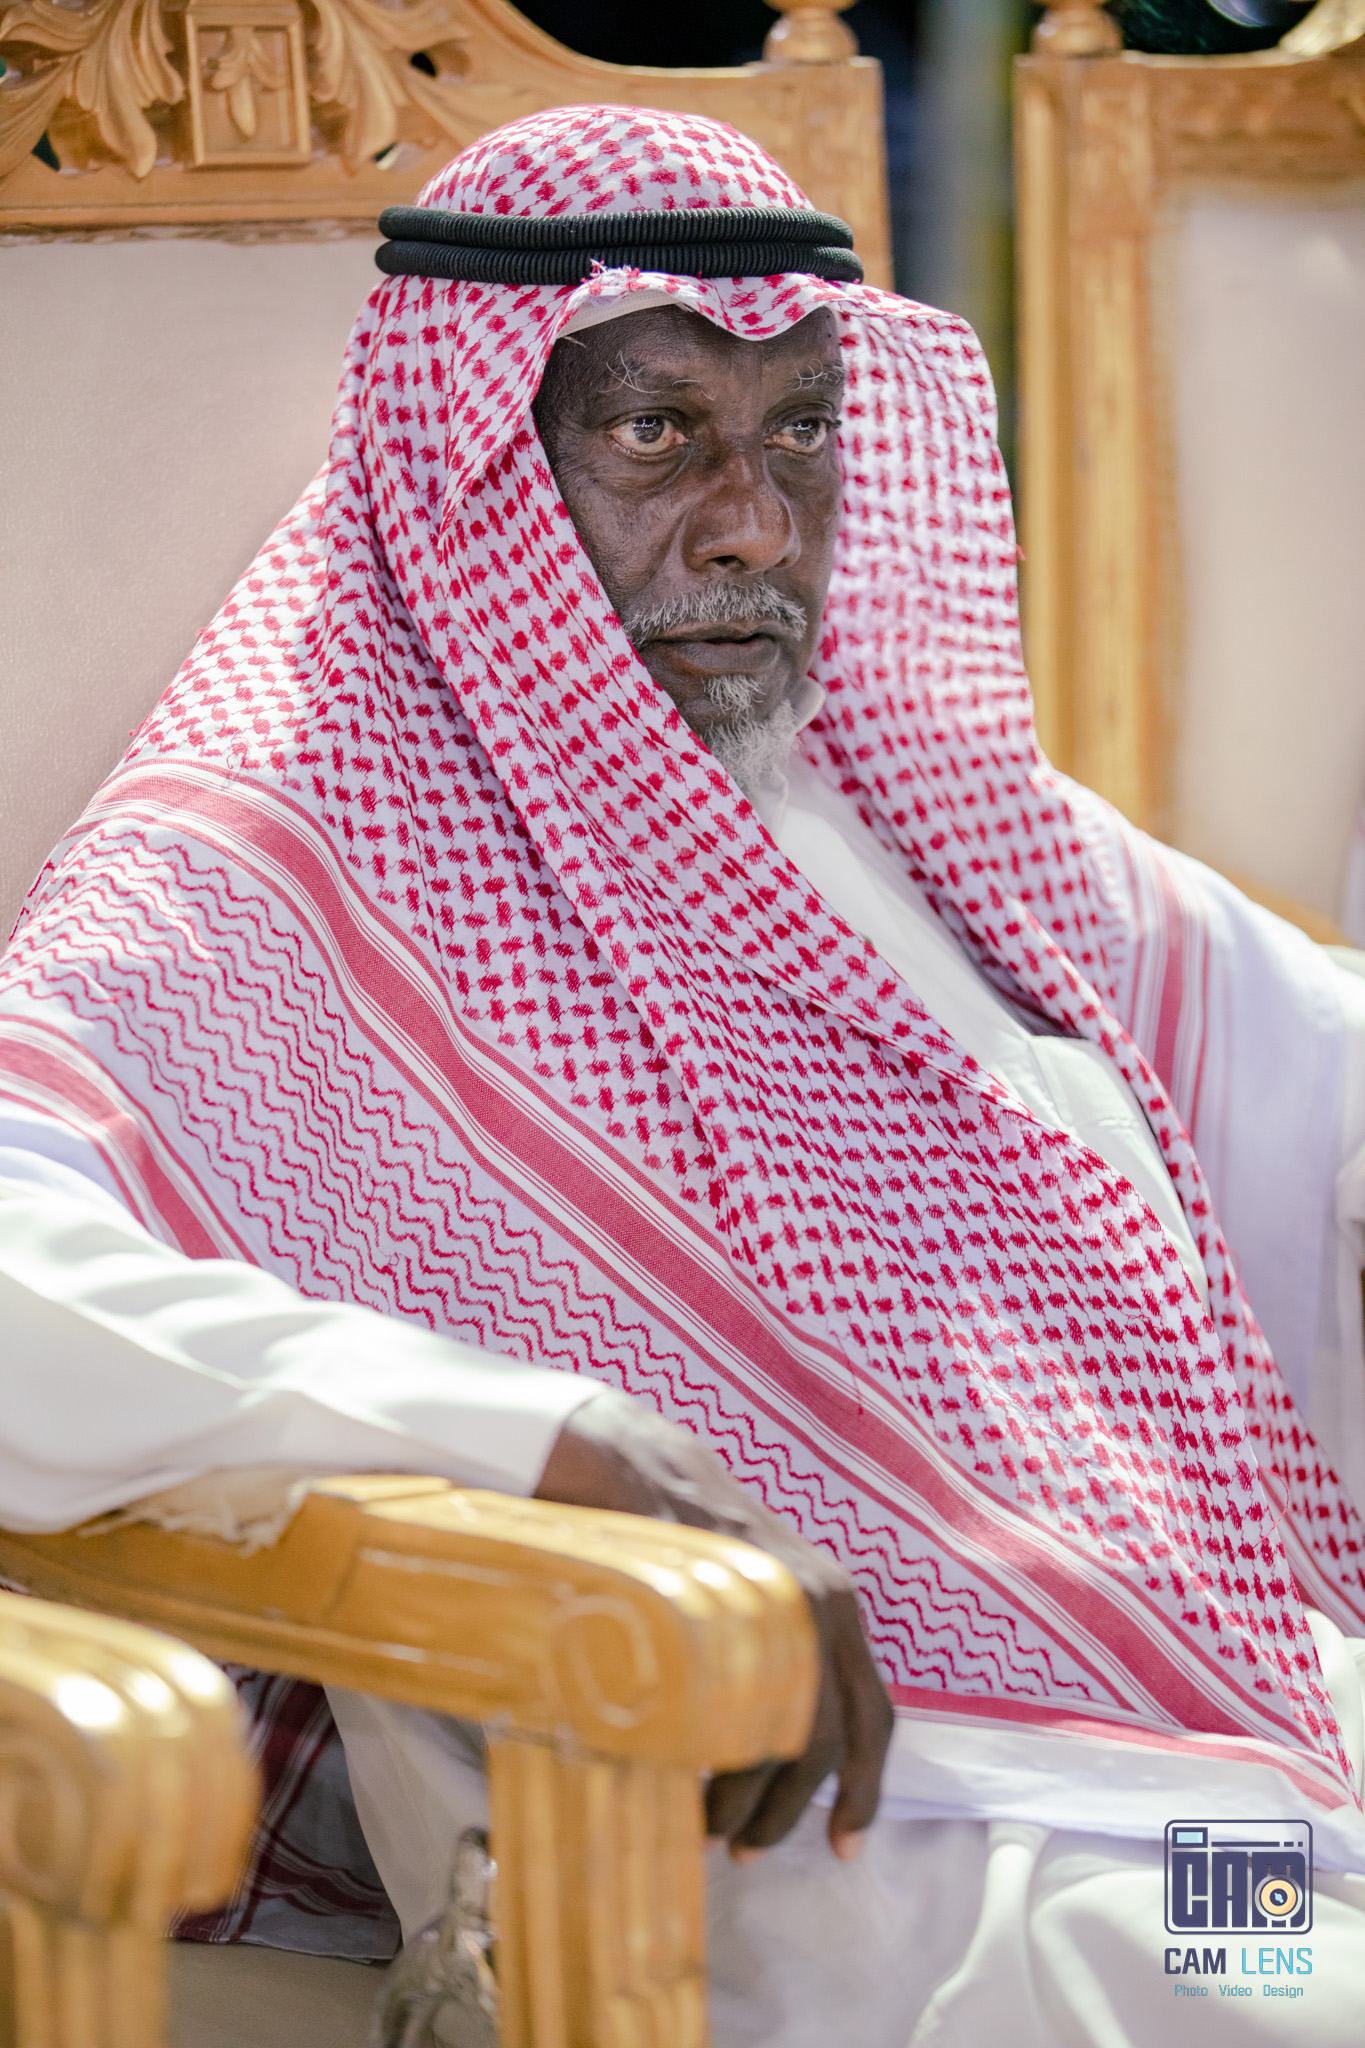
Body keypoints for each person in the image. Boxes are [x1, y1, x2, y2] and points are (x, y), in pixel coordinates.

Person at [5, 105, 1365, 2043]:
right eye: (657, 432)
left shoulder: (880, 790)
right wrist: (545, 1438)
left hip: (1213, 1743)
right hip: (804, 1828)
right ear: (473, 455)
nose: (755, 523)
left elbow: (1306, 1060)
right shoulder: (263, 862)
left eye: (798, 428)